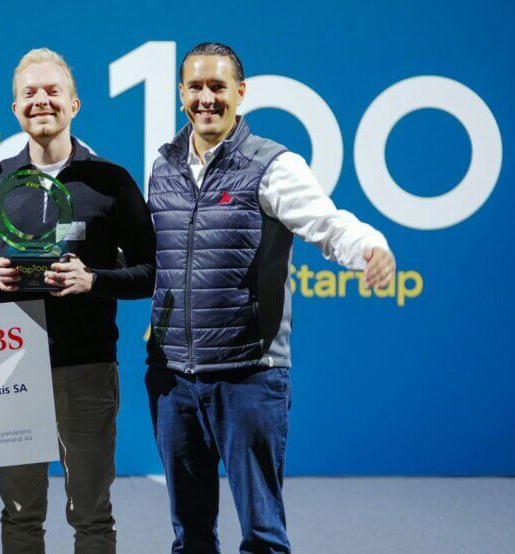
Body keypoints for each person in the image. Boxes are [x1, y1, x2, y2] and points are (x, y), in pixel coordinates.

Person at [146, 42, 396, 554]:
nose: (207, 98)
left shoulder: (273, 165)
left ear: (240, 93)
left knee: (262, 537)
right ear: (180, 94)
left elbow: (328, 224)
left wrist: (370, 247)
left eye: (218, 87)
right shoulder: (163, 165)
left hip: (249, 375)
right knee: (190, 538)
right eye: (196, 87)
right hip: (173, 379)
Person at [0, 48, 155, 554]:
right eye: (29, 93)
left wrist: (95, 280)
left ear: (74, 104)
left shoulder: (111, 181)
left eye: (53, 91)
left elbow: (151, 272)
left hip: (87, 368)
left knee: (91, 513)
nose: (41, 101)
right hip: (12, 367)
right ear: (15, 109)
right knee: (20, 513)